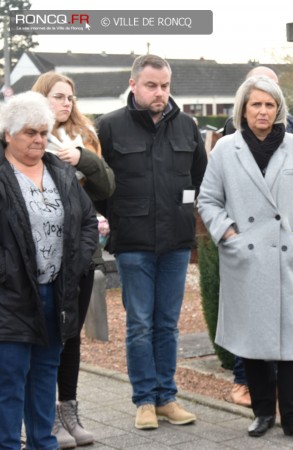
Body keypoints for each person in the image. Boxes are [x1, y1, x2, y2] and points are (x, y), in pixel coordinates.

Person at [198, 75, 293, 443]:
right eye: (256, 104)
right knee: (253, 340)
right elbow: (208, 200)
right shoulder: (225, 149)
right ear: (243, 109)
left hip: (288, 255)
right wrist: (230, 236)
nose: (263, 111)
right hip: (247, 257)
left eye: (270, 104)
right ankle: (263, 412)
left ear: (279, 108)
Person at [96, 54, 208, 430]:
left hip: (176, 242)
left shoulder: (188, 127)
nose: (159, 93)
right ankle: (144, 399)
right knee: (140, 324)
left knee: (167, 324)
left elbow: (200, 181)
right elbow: (98, 186)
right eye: (151, 86)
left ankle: (167, 397)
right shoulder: (109, 128)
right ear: (133, 85)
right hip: (132, 242)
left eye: (165, 86)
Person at [0, 91, 98, 450]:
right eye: (29, 132)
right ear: (8, 134)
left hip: (56, 292)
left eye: (43, 132)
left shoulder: (61, 171)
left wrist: (75, 261)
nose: (39, 139)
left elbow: (87, 221)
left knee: (44, 376)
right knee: (9, 380)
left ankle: (44, 443)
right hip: (11, 295)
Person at [32, 72, 116, 448]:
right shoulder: (28, 138)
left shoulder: (83, 137)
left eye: (71, 97)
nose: (66, 103)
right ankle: (44, 414)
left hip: (81, 254)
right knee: (42, 335)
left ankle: (69, 410)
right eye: (58, 96)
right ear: (40, 99)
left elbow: (108, 187)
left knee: (71, 337)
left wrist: (83, 158)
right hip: (42, 255)